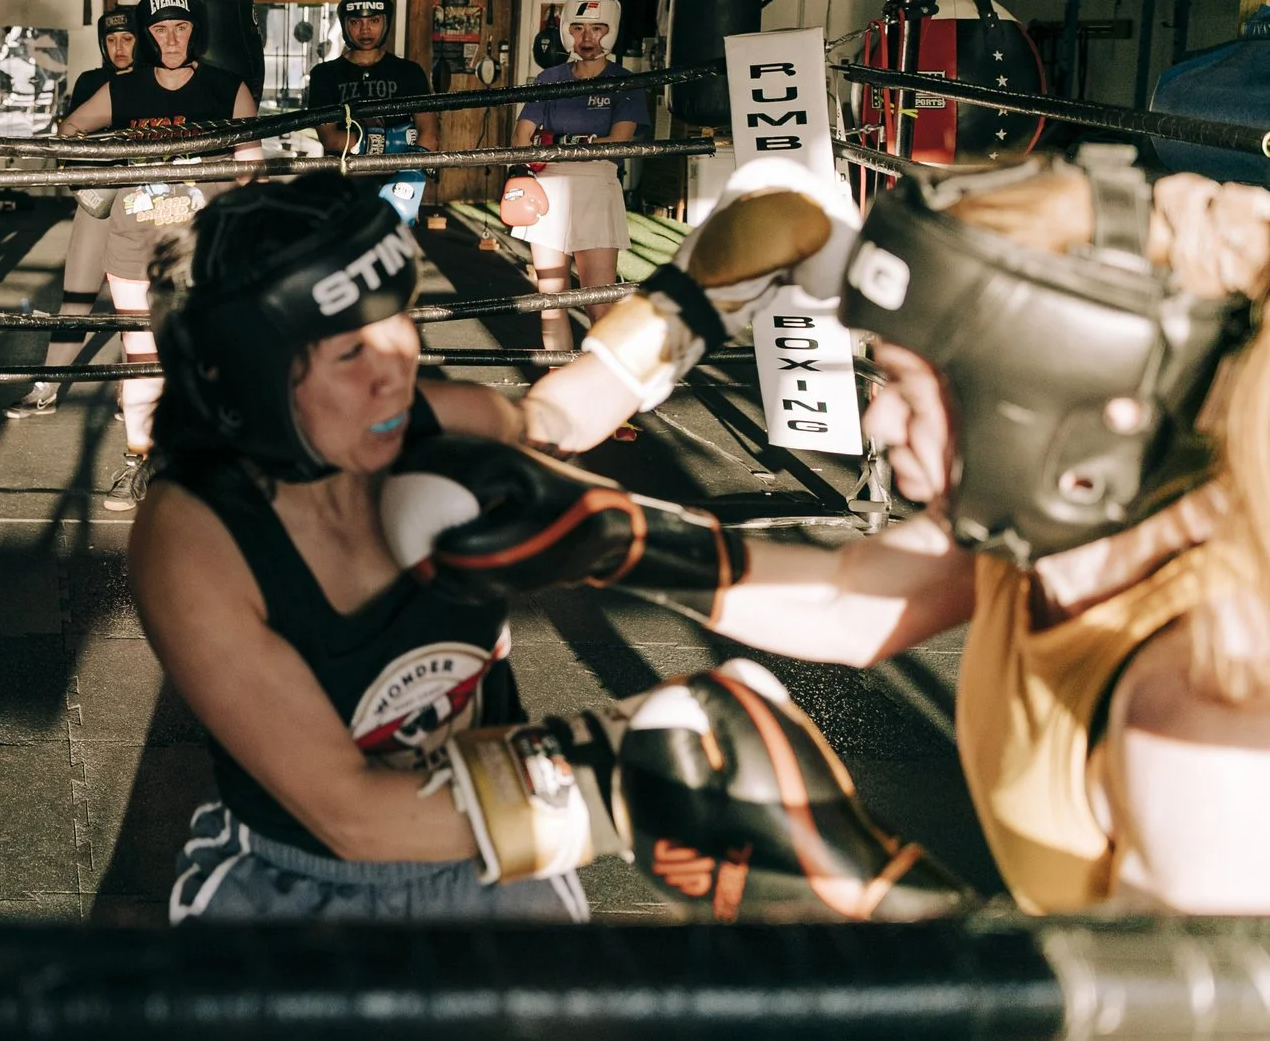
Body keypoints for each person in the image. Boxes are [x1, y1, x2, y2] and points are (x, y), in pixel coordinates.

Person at [404, 146, 1270, 916]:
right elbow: (850, 601)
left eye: (906, 383)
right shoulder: (1055, 540)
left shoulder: (1200, 726)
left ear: (1049, 408)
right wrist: (607, 532)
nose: (880, 418)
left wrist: (867, 890)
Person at [128, 172, 587, 922]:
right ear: (254, 378)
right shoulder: (195, 535)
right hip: (293, 888)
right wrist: (628, 792)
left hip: (502, 857)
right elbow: (354, 812)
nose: (399, 364)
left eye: (400, 314)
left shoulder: (423, 421)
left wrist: (698, 301)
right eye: (349, 350)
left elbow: (552, 417)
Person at [54, 0, 260, 510]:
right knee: (142, 359)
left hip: (199, 249)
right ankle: (137, 462)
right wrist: (99, 177)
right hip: (132, 245)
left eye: (180, 28)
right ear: (148, 36)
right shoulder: (124, 88)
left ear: (196, 31)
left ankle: (205, 463)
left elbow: (250, 163)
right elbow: (69, 130)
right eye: (160, 30)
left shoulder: (226, 88)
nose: (170, 39)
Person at [8, 9, 139, 418]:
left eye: (128, 39)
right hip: (98, 199)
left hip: (142, 199)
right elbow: (72, 137)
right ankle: (46, 386)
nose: (119, 48)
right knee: (76, 295)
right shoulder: (89, 82)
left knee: (133, 302)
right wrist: (81, 183)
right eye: (112, 40)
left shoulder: (154, 83)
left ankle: (131, 391)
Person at [510, 0, 646, 354]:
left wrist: (555, 140)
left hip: (598, 185)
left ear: (611, 31)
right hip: (550, 184)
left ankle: (601, 384)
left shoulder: (624, 81)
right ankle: (558, 377)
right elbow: (521, 137)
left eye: (598, 28)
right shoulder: (549, 78)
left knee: (598, 301)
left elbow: (618, 143)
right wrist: (569, 145)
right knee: (550, 299)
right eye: (579, 28)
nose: (588, 38)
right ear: (566, 32)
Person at [305, 0, 438, 227]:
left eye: (374, 20)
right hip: (345, 181)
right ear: (345, 25)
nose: (365, 29)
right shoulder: (325, 75)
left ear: (385, 23)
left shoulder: (409, 72)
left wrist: (411, 171)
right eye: (356, 22)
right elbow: (330, 138)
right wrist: (391, 141)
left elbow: (429, 130)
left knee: (394, 247)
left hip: (397, 175)